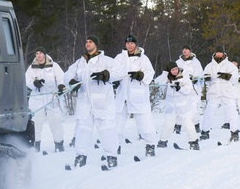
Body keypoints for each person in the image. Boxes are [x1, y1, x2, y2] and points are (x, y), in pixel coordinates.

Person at [63, 36, 119, 169]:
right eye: (86, 41)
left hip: (102, 103)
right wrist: (71, 82)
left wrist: (106, 75)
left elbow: (119, 72)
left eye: (91, 42)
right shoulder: (79, 62)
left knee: (107, 130)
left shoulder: (106, 60)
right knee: (83, 130)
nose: (88, 44)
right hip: (85, 103)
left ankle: (111, 157)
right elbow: (67, 75)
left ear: (96, 45)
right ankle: (80, 157)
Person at [114, 34, 159, 155]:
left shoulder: (143, 58)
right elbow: (113, 71)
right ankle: (114, 147)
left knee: (144, 122)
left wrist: (141, 75)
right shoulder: (119, 58)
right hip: (122, 95)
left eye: (132, 43)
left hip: (137, 95)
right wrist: (114, 81)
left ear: (135, 44)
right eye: (127, 43)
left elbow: (150, 72)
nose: (130, 45)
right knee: (117, 123)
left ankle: (150, 145)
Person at [25, 47, 66, 155]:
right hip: (38, 98)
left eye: (41, 53)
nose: (38, 55)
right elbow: (27, 81)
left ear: (44, 54)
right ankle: (35, 145)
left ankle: (59, 144)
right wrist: (35, 83)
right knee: (36, 123)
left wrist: (61, 85)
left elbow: (61, 77)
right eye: (37, 53)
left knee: (55, 122)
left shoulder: (53, 65)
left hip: (52, 98)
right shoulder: (32, 68)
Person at [199, 46, 240, 145]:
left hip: (227, 92)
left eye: (220, 52)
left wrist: (227, 76)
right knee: (209, 112)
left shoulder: (230, 66)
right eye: (217, 52)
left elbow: (235, 79)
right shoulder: (209, 66)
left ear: (223, 54)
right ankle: (205, 131)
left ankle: (234, 131)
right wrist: (207, 79)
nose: (218, 54)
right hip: (214, 92)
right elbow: (205, 78)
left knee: (232, 111)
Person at [156, 62, 200, 149]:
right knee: (168, 124)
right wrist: (165, 73)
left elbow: (188, 90)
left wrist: (180, 88)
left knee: (188, 123)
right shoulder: (167, 77)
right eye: (172, 70)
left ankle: (194, 142)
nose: (175, 71)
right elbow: (158, 81)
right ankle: (163, 141)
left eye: (176, 69)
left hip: (183, 106)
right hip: (171, 107)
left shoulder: (184, 76)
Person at [176, 45, 205, 134]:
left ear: (190, 51)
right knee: (180, 107)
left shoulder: (195, 62)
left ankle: (196, 125)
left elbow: (199, 73)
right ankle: (178, 125)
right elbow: (174, 72)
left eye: (186, 49)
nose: (184, 51)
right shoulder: (178, 62)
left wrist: (194, 78)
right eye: (183, 49)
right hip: (182, 87)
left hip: (193, 88)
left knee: (194, 107)